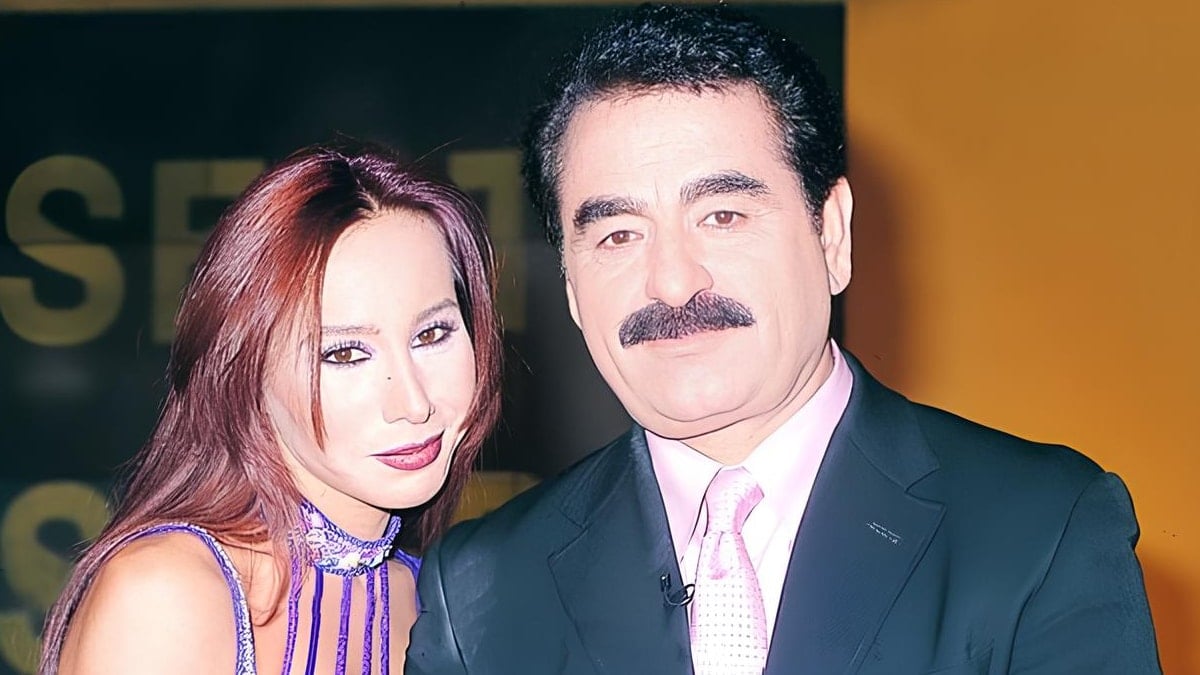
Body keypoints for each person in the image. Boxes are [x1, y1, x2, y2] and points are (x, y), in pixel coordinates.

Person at [406, 4, 1160, 674]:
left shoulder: (1041, 530)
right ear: (571, 284)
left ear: (832, 234)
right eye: (618, 235)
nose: (672, 282)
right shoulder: (477, 592)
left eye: (723, 216)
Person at [40, 142, 502, 675]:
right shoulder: (166, 595)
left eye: (433, 334)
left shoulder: (444, 606)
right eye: (344, 354)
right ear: (246, 370)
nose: (414, 404)